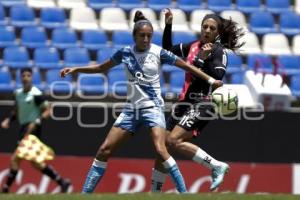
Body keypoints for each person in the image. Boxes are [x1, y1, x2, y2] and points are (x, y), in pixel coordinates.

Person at [60, 11, 222, 194]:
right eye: (142, 36)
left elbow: (186, 66)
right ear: (134, 36)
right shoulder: (125, 53)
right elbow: (100, 67)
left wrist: (210, 81)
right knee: (104, 150)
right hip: (131, 110)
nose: (146, 39)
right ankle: (84, 195)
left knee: (161, 150)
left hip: (153, 108)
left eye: (149, 36)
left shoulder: (157, 52)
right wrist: (75, 69)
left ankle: (183, 193)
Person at [151, 9, 245, 192]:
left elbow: (217, 76)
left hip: (203, 102)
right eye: (205, 27)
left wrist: (202, 60)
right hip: (183, 104)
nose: (207, 30)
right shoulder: (193, 45)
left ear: (217, 32)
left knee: (173, 141)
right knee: (162, 148)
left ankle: (215, 165)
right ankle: (154, 194)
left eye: (212, 28)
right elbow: (168, 50)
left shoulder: (218, 51)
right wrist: (168, 24)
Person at [0, 68, 71, 193]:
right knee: (36, 163)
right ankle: (62, 182)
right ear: (20, 78)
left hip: (33, 131)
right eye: (23, 75)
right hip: (23, 129)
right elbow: (17, 110)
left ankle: (5, 190)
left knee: (15, 159)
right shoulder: (18, 93)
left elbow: (48, 110)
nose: (26, 78)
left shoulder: (36, 94)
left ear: (32, 77)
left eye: (28, 75)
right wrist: (8, 120)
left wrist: (37, 121)